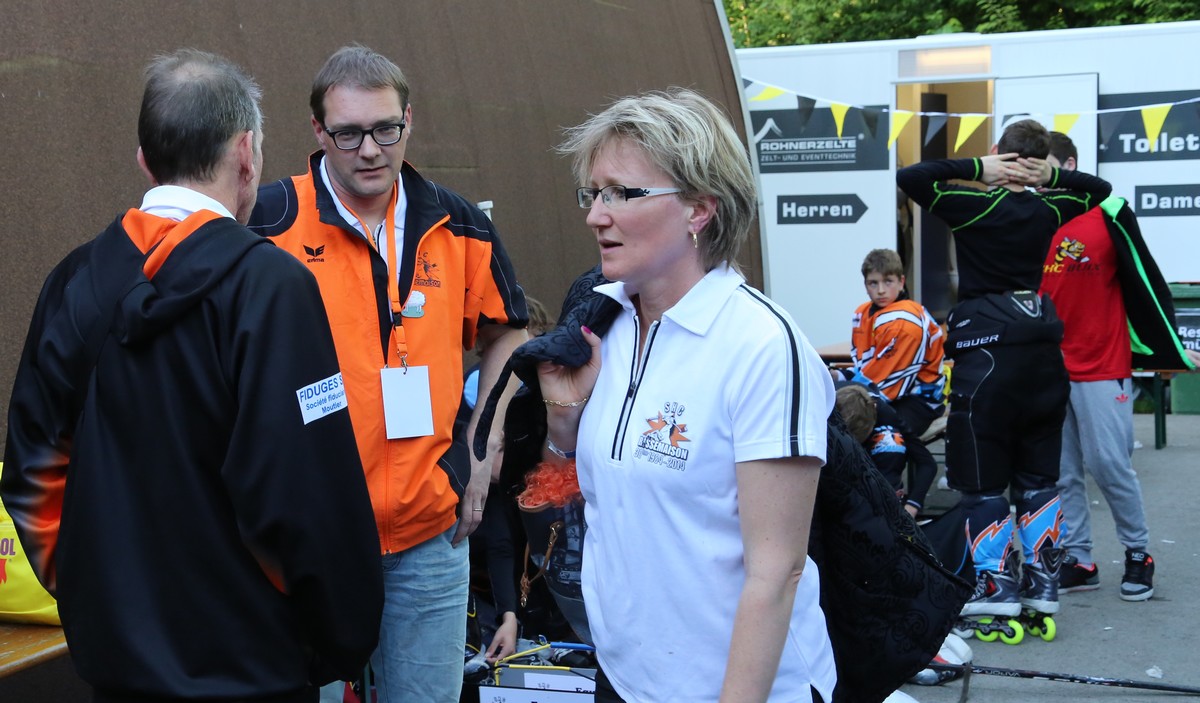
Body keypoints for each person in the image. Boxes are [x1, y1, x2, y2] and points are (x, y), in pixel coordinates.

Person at [0, 49, 383, 702]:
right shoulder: (271, 286)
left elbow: (31, 469)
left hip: (116, 667)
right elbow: (307, 494)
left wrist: (96, 600)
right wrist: (336, 639)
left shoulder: (73, 280)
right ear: (245, 154)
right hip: (252, 665)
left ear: (145, 160)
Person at [248, 45, 529, 702]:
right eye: (348, 133)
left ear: (409, 120)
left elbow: (509, 332)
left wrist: (482, 444)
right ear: (318, 131)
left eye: (386, 129)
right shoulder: (266, 221)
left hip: (428, 530)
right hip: (306, 536)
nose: (370, 150)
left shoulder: (459, 223)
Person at [540, 88, 836, 702]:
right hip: (626, 678)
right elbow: (589, 498)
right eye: (593, 193)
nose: (596, 215)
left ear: (699, 209)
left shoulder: (761, 346)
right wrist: (564, 421)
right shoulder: (604, 325)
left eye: (621, 193)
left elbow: (776, 573)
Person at [897, 119, 1112, 639]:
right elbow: (1100, 190)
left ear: (997, 153)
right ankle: (1043, 585)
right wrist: (1050, 178)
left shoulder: (972, 204)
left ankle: (994, 587)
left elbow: (911, 177)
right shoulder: (1051, 208)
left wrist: (978, 169)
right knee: (1040, 480)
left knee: (983, 484)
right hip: (1043, 356)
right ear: (1039, 161)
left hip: (987, 355)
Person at [1038, 131, 1197, 602]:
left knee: (1109, 464)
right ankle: (1080, 559)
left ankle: (1138, 553)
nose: (1037, 178)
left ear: (1069, 165)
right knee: (1062, 472)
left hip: (1102, 363)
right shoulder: (1031, 216)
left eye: (1045, 167)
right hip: (1048, 366)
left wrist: (1169, 348)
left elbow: (1145, 281)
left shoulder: (1109, 212)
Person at [840, 248, 947, 437]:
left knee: (860, 426)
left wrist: (841, 390)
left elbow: (886, 388)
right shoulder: (862, 313)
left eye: (888, 281)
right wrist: (838, 376)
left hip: (919, 401)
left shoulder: (905, 320)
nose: (881, 290)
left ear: (901, 282)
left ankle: (916, 455)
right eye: (873, 283)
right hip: (884, 391)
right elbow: (868, 368)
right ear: (865, 285)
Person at [834, 383, 938, 518]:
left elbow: (927, 463)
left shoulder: (886, 416)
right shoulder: (821, 407)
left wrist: (911, 507)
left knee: (891, 442)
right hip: (832, 426)